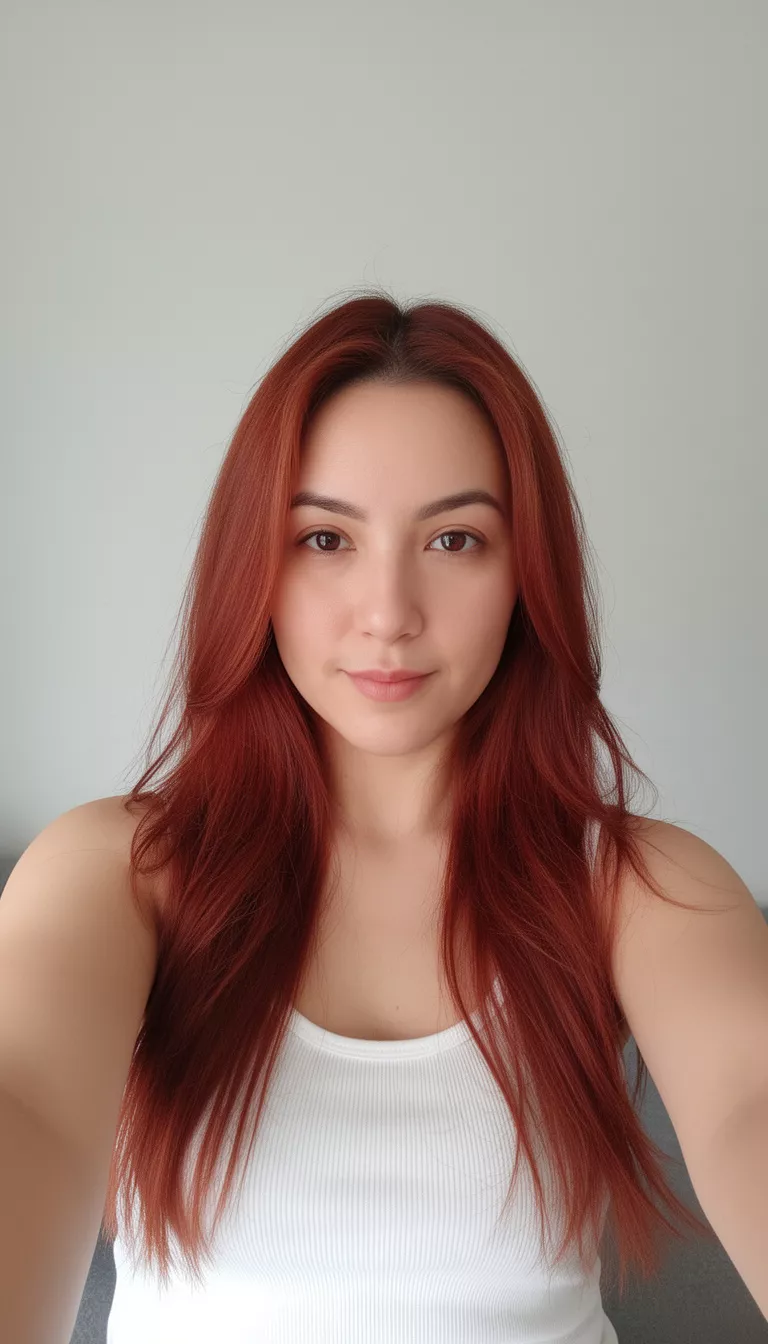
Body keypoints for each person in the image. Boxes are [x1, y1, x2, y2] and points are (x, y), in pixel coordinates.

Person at [3, 292, 765, 1343]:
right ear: (253, 571)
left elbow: (749, 1100)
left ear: (526, 576)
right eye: (325, 538)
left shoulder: (639, 890)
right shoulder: (119, 873)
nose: (389, 613)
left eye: (454, 540)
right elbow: (26, 1103)